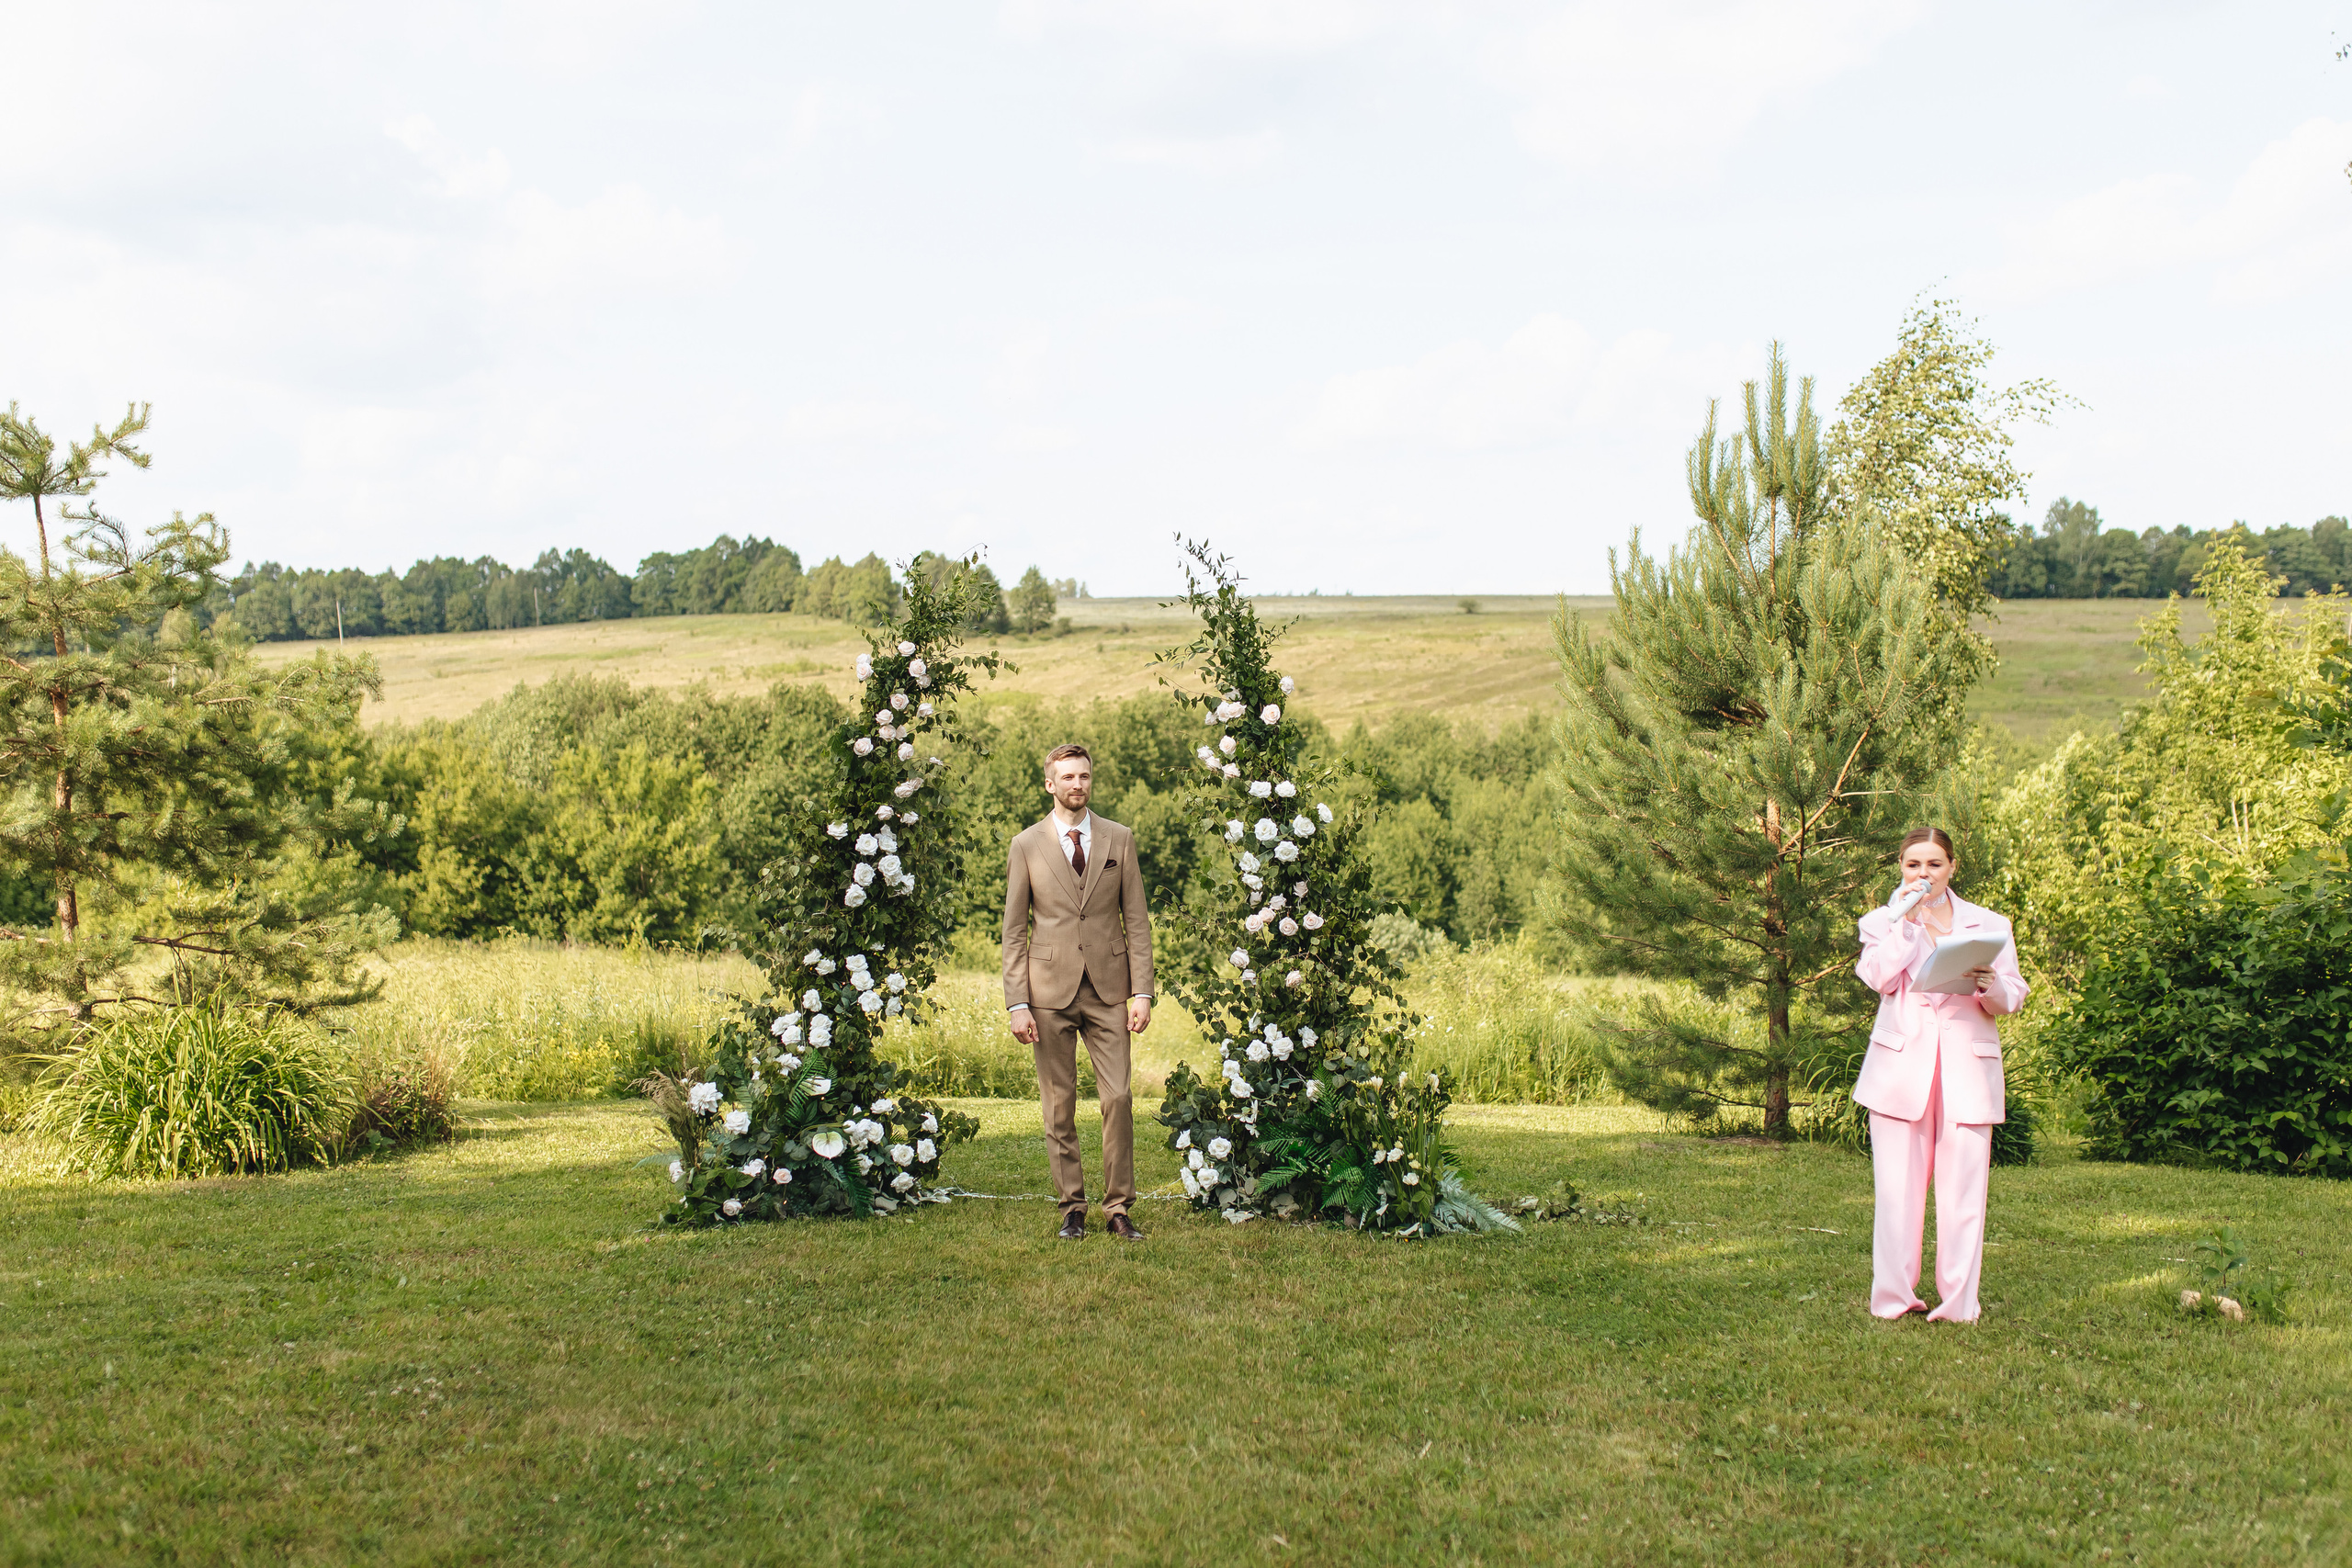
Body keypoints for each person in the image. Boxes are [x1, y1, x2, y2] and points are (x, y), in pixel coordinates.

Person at [1852, 826, 2029, 1323]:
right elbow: (1878, 978)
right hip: (1899, 1071)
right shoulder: (1882, 923)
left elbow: (2013, 995)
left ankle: (1958, 1304)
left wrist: (1990, 986)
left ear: (1951, 867)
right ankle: (1893, 1299)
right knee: (1896, 1195)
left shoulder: (1991, 924)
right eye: (1913, 865)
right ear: (1901, 868)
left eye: (1933, 864)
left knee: (1964, 1197)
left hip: (1967, 1072)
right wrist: (1905, 925)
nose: (1923, 873)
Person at [1002, 744, 1155, 1241]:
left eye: (1084, 776)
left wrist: (1143, 992)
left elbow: (1136, 921)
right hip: (1048, 993)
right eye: (1067, 777)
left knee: (1119, 1097)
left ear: (1091, 781)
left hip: (1111, 989)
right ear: (1050, 784)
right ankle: (1072, 1206)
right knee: (1059, 1103)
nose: (1077, 785)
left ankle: (1118, 1209)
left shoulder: (1120, 839)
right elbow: (1014, 931)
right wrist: (1018, 1002)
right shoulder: (1025, 846)